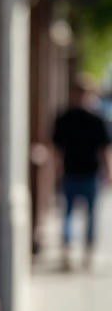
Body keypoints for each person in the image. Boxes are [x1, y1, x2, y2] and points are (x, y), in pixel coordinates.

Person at [51, 76, 111, 269]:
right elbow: (104, 150)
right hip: (83, 172)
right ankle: (84, 252)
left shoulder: (65, 118)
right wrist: (109, 171)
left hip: (81, 172)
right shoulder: (96, 119)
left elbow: (57, 150)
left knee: (73, 213)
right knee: (83, 214)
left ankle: (73, 251)